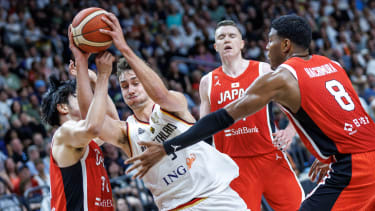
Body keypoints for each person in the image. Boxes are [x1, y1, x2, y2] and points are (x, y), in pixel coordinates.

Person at [125, 15, 375, 211]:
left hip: (350, 168)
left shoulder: (278, 77)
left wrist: (168, 147)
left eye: (271, 41)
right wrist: (329, 154)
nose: (266, 47)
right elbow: (349, 117)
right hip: (358, 156)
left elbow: (222, 117)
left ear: (285, 45)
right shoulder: (333, 65)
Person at [88, 12, 247, 211]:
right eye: (125, 86)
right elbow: (93, 126)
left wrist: (124, 48)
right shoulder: (125, 131)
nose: (131, 89)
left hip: (216, 198)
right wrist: (100, 78)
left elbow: (161, 95)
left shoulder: (172, 104)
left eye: (136, 83)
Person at [194, 20, 303, 210]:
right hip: (232, 166)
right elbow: (203, 130)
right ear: (216, 46)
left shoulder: (263, 70)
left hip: (270, 157)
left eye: (231, 35)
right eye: (221, 37)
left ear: (242, 43)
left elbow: (297, 104)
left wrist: (290, 131)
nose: (226, 39)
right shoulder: (207, 82)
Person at [41, 49, 116, 210]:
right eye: (76, 96)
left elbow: (113, 124)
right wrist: (103, 77)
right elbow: (94, 127)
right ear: (62, 107)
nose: (82, 96)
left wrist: (95, 79)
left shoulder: (83, 139)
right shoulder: (64, 133)